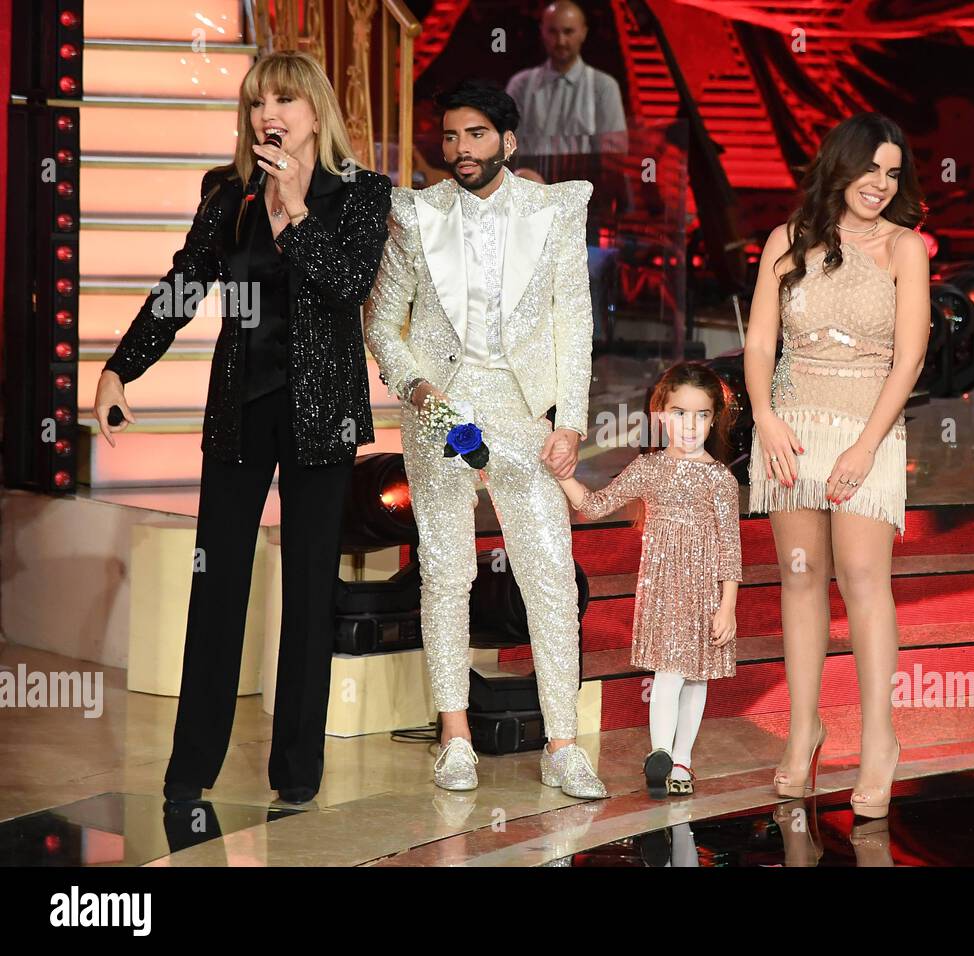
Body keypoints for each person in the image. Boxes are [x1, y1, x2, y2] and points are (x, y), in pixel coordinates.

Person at [93, 51, 393, 805]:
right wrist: (121, 367)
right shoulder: (227, 195)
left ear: (315, 111)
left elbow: (350, 287)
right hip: (241, 410)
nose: (269, 113)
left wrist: (294, 213)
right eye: (259, 99)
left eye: (285, 99)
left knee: (306, 592)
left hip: (320, 414)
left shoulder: (358, 194)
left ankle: (296, 774)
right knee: (217, 586)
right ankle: (190, 770)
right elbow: (185, 283)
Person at [362, 79, 606, 799]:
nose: (460, 150)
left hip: (523, 411)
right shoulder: (415, 212)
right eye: (449, 137)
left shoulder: (555, 210)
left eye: (474, 135)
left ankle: (563, 745)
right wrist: (417, 389)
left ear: (509, 141)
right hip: (443, 408)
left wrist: (570, 423)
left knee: (550, 578)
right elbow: (381, 323)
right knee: (445, 573)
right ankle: (456, 737)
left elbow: (575, 321)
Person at [743, 113, 930, 817]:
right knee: (798, 581)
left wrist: (864, 446)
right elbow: (760, 341)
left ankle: (881, 742)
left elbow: (908, 357)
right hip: (790, 426)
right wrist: (764, 417)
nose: (881, 184)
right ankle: (803, 732)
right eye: (869, 169)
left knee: (862, 579)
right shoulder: (787, 242)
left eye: (892, 172)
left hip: (867, 428)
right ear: (839, 166)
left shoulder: (905, 249)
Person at [552, 362, 742, 797]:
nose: (690, 426)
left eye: (701, 415)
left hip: (706, 593)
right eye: (679, 413)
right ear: (661, 413)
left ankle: (682, 761)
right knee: (670, 671)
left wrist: (728, 604)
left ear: (714, 418)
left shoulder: (720, 479)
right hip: (662, 590)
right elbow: (596, 505)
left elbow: (731, 547)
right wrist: (564, 477)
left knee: (696, 677)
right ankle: (661, 753)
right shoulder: (649, 468)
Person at [506, 0, 628, 158]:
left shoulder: (604, 86)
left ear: (583, 33)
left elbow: (615, 154)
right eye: (552, 32)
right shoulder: (520, 85)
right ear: (542, 32)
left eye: (568, 32)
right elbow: (505, 149)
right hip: (530, 180)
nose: (561, 41)